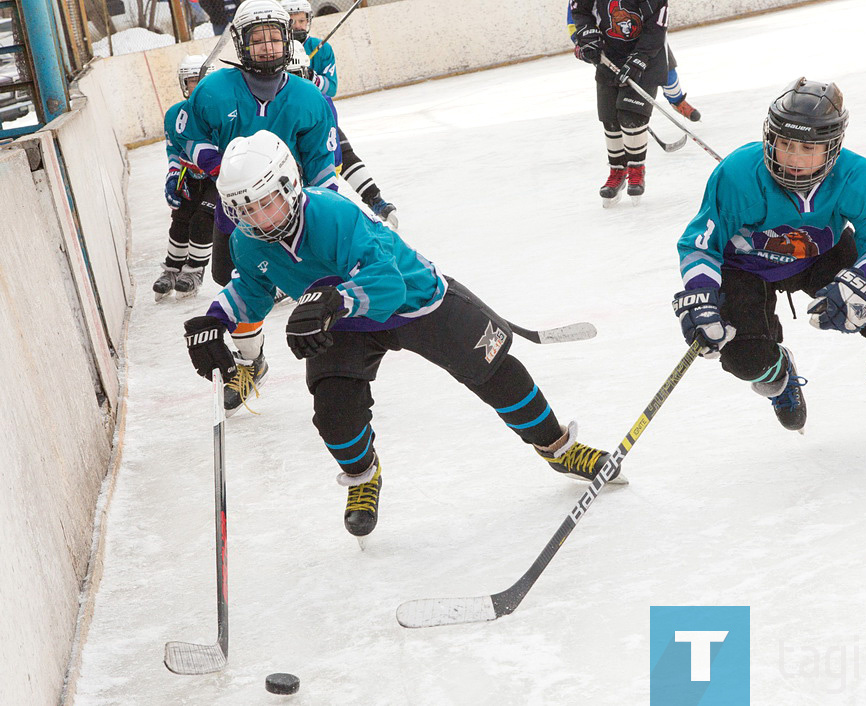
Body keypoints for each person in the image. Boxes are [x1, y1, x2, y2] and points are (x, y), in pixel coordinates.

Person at [181, 130, 623, 537]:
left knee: (494, 370)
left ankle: (558, 447)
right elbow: (253, 287)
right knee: (334, 411)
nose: (258, 217)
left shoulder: (333, 214)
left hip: (414, 300)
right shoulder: (248, 240)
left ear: (289, 185)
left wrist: (333, 301)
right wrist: (214, 320)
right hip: (342, 322)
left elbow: (387, 284)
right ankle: (363, 476)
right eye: (244, 208)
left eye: (265, 201)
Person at [671, 77, 866, 431]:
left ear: (833, 147)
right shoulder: (737, 175)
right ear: (769, 138)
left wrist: (864, 284)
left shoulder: (860, 177)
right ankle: (780, 376)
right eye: (785, 144)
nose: (793, 158)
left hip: (822, 254)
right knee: (746, 359)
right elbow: (700, 243)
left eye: (808, 149)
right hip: (744, 268)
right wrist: (702, 301)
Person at [177, 0, 342, 413]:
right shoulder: (213, 91)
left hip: (293, 214)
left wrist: (332, 213)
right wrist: (219, 166)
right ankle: (252, 362)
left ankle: (340, 364)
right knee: (234, 283)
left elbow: (322, 167)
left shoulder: (308, 99)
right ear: (240, 42)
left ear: (287, 40)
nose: (267, 46)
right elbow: (191, 140)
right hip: (234, 213)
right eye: (258, 38)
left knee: (325, 288)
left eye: (274, 37)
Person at [281, 0, 399, 227]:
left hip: (318, 115)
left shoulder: (321, 48)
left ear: (309, 20)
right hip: (286, 120)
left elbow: (331, 87)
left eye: (302, 20)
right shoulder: (278, 49)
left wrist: (311, 77)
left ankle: (375, 199)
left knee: (344, 152)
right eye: (292, 21)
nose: (297, 25)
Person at [568, 0, 669, 206]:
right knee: (610, 118)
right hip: (609, 56)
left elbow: (656, 25)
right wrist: (589, 38)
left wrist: (640, 58)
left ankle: (636, 169)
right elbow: (580, 11)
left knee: (631, 116)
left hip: (647, 59)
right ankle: (617, 170)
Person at [566, 1, 700, 122]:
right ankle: (628, 111)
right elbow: (577, 17)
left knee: (665, 66)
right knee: (616, 80)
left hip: (642, 36)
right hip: (611, 41)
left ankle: (677, 100)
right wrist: (581, 42)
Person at [153, 55, 218, 301]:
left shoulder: (223, 111)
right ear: (184, 84)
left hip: (219, 177)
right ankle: (172, 269)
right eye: (193, 81)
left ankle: (194, 271)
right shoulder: (174, 115)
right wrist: (173, 176)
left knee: (204, 218)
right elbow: (174, 150)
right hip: (191, 174)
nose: (199, 86)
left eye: (204, 80)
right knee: (181, 218)